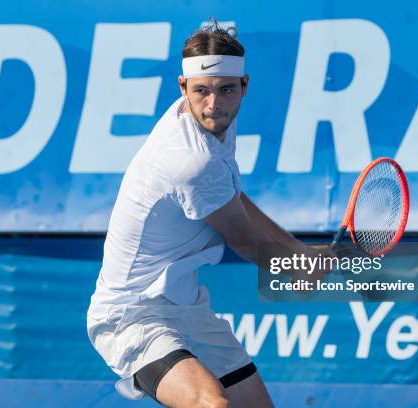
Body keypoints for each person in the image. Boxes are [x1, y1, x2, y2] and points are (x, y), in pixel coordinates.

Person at [87, 20, 329, 407]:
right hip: (131, 315)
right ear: (182, 88)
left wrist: (296, 250)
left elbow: (233, 199)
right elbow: (244, 239)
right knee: (211, 405)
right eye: (201, 91)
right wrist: (294, 264)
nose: (213, 104)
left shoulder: (212, 124)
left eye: (226, 90)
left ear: (243, 87)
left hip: (187, 307)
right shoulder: (190, 159)